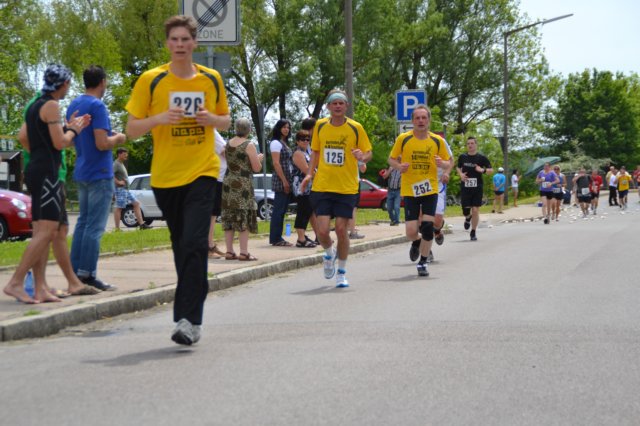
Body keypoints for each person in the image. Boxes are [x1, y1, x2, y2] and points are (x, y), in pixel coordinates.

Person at [125, 15, 231, 346]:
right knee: (181, 246)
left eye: (186, 39)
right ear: (167, 43)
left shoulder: (211, 79)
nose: (180, 44)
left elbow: (226, 121)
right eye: (175, 39)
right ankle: (196, 291)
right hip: (166, 177)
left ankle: (187, 320)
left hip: (203, 171)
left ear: (194, 43)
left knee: (195, 243)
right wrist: (159, 118)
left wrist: (210, 119)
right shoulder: (152, 80)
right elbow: (131, 129)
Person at [4, 64, 93, 303]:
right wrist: (74, 130)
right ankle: (15, 282)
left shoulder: (36, 105)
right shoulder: (52, 105)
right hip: (47, 175)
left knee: (47, 230)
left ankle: (40, 287)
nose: (68, 89)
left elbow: (40, 138)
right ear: (63, 84)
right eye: (68, 84)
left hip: (37, 171)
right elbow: (60, 143)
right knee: (45, 232)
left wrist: (67, 129)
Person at [300, 89, 372, 288]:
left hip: (347, 187)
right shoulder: (321, 126)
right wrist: (309, 174)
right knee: (322, 231)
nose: (338, 106)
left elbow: (368, 153)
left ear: (346, 106)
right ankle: (329, 253)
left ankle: (341, 272)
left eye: (341, 103)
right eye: (334, 103)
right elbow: (315, 152)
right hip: (323, 185)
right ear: (329, 107)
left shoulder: (356, 128)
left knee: (341, 229)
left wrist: (362, 157)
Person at [67, 65, 127, 292]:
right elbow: (102, 143)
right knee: (95, 226)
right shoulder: (97, 106)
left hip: (82, 170)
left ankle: (75, 274)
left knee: (83, 223)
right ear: (102, 81)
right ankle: (88, 274)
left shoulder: (74, 105)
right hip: (100, 173)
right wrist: (118, 138)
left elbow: (74, 139)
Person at [388, 105, 450, 277]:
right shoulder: (403, 139)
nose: (421, 121)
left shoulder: (437, 141)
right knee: (411, 232)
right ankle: (417, 242)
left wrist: (442, 164)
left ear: (429, 120)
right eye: (417, 118)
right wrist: (399, 166)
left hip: (430, 189)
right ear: (412, 121)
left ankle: (423, 262)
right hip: (410, 190)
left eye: (424, 118)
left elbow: (448, 162)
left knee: (428, 227)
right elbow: (391, 159)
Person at [221, 118, 263, 260]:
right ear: (249, 129)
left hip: (228, 183)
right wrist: (259, 159)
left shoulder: (228, 144)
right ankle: (244, 252)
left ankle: (229, 251)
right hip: (242, 184)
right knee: (243, 215)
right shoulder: (248, 145)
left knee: (229, 216)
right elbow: (256, 168)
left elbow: (225, 155)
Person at [457, 136, 492, 240]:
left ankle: (473, 232)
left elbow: (491, 170)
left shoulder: (481, 158)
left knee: (475, 210)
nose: (470, 145)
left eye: (472, 143)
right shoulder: (462, 157)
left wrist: (482, 170)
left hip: (477, 187)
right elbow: (458, 167)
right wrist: (461, 175)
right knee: (465, 210)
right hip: (465, 187)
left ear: (476, 145)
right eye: (468, 144)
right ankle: (468, 218)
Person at [269, 119, 294, 247]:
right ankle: (276, 238)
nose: (286, 129)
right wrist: (284, 181)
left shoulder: (284, 143)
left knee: (282, 210)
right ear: (278, 128)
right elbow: (276, 163)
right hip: (280, 180)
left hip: (287, 179)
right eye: (284, 127)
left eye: (288, 127)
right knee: (278, 211)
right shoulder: (275, 143)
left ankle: (278, 237)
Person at [291, 129, 317, 247]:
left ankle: (307, 236)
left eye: (307, 139)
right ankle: (301, 239)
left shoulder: (306, 152)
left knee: (308, 211)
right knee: (303, 211)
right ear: (297, 141)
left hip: (309, 186)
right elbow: (307, 170)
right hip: (301, 186)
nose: (306, 141)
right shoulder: (298, 153)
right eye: (302, 139)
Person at [113, 147, 150, 231]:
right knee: (119, 208)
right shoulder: (116, 164)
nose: (126, 155)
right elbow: (110, 175)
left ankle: (142, 225)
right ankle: (117, 229)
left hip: (126, 189)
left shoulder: (121, 163)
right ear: (119, 154)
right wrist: (118, 182)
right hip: (120, 189)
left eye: (126, 154)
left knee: (136, 203)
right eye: (124, 154)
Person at [208, 130, 227, 258]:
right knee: (211, 214)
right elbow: (226, 152)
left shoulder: (212, 131)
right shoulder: (211, 131)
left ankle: (210, 244)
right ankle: (207, 247)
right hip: (214, 177)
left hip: (216, 177)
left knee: (213, 214)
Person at [348, 161, 367, 239]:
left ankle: (346, 229)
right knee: (353, 207)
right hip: (352, 182)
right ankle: (352, 232)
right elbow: (363, 169)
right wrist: (363, 160)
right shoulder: (356, 154)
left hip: (339, 182)